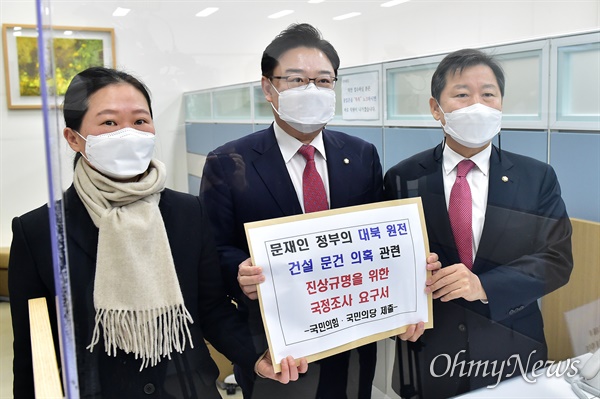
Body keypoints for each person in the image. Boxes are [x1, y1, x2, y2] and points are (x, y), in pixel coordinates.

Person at [8, 66, 307, 399]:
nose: (128, 133)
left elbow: (211, 309)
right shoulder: (39, 232)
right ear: (74, 138)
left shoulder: (187, 212)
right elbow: (33, 353)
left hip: (187, 389)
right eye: (109, 122)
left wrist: (256, 356)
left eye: (140, 121)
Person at [200, 23, 382, 399]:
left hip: (353, 332)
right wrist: (240, 270)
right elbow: (213, 249)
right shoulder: (229, 161)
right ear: (269, 88)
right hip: (274, 343)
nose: (312, 91)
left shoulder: (362, 155)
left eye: (324, 81)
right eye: (296, 80)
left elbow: (378, 233)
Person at [383, 49, 573, 398]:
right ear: (435, 108)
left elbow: (556, 261)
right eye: (461, 94)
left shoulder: (536, 177)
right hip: (428, 353)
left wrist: (483, 286)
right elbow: (386, 261)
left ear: (501, 103)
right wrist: (396, 314)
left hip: (513, 351)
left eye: (488, 94)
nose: (477, 104)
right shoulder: (403, 178)